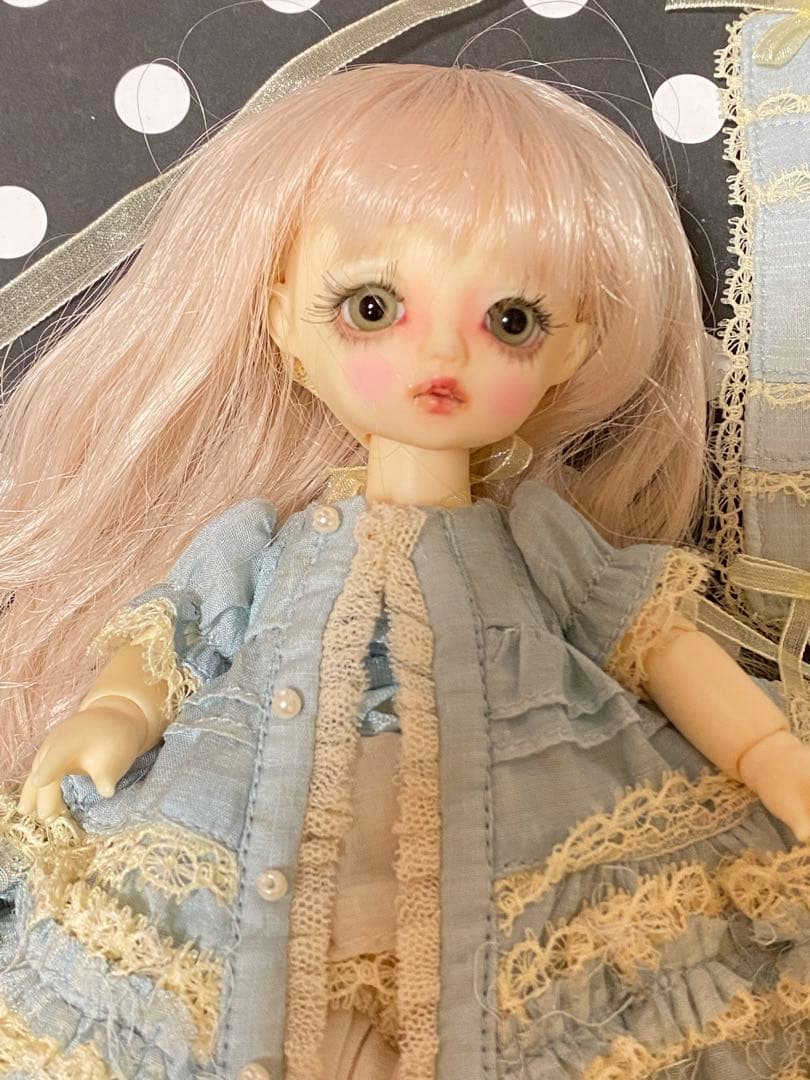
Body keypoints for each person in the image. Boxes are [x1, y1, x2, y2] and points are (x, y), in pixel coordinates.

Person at [2, 64, 809, 1080]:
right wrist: (111, 716)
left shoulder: (540, 541)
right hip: (254, 824)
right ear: (286, 325)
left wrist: (767, 752)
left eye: (509, 321)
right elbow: (173, 644)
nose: (442, 356)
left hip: (531, 844)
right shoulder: (259, 543)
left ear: (569, 350)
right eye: (373, 306)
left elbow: (663, 646)